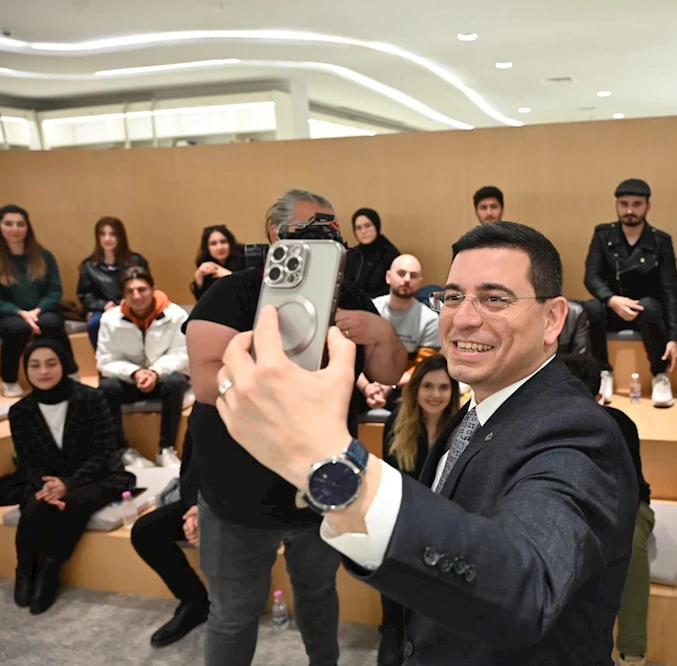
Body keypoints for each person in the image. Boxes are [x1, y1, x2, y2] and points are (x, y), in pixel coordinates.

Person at [213, 220, 639, 665]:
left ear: (552, 319)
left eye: (494, 299)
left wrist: (332, 463)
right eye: (453, 297)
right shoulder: (476, 410)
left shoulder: (579, 431)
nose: (463, 319)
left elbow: (528, 587)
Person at [183, 188, 406, 666]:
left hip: (319, 489)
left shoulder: (349, 296)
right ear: (276, 233)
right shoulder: (231, 293)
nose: (327, 237)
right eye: (313, 227)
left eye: (333, 229)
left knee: (319, 596)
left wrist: (382, 333)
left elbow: (388, 372)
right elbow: (204, 383)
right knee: (233, 614)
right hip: (235, 494)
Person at [10, 339, 134, 614]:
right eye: (35, 365)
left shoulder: (92, 399)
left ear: (63, 365)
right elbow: (27, 461)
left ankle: (49, 569)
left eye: (51, 363)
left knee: (71, 504)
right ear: (26, 370)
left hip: (98, 476)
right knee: (34, 506)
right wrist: (48, 486)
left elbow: (104, 453)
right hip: (47, 480)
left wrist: (68, 484)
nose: (43, 371)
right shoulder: (20, 411)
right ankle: (25, 570)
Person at [561, 352, 653, 666]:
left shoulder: (620, 425)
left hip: (625, 507)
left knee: (631, 545)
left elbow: (628, 491)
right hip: (567, 506)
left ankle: (633, 650)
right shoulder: (542, 421)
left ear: (598, 398)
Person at [377, 355, 460, 665]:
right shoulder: (396, 422)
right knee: (394, 619)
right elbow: (389, 482)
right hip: (402, 528)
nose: (435, 394)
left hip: (446, 530)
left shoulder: (463, 426)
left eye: (443, 387)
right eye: (428, 386)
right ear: (416, 388)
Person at [583, 178, 677, 408]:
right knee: (591, 307)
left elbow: (670, 289)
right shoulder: (603, 235)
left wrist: (674, 337)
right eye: (624, 204)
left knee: (649, 306)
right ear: (616, 205)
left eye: (637, 204)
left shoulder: (661, 241)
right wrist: (612, 299)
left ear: (648, 206)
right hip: (612, 308)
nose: (630, 210)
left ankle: (660, 375)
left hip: (647, 315)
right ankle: (603, 373)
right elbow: (591, 276)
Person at [97, 266, 189, 469]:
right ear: (123, 295)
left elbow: (182, 354)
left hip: (162, 379)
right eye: (130, 291)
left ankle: (166, 449)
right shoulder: (109, 319)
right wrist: (135, 372)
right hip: (130, 381)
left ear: (153, 289)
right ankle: (123, 451)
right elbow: (105, 360)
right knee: (105, 388)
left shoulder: (176, 315)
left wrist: (155, 372)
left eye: (142, 289)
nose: (137, 296)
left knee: (176, 382)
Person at [130, 419, 209, 648]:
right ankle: (194, 601)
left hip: (247, 504)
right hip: (204, 500)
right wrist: (194, 508)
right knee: (146, 531)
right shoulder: (203, 409)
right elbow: (190, 471)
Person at [0, 204, 74, 398]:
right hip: (7, 314)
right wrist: (21, 313)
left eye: (20, 224)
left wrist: (37, 311)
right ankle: (9, 379)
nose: (15, 229)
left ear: (27, 227)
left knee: (52, 323)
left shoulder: (44, 256)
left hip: (42, 310)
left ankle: (70, 371)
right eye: (8, 224)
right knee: (17, 328)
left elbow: (55, 290)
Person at [358, 254, 441, 410]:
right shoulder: (368, 311)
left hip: (405, 388)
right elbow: (352, 357)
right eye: (401, 273)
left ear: (420, 283)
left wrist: (391, 385)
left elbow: (423, 366)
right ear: (388, 277)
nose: (407, 279)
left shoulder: (430, 320)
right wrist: (366, 387)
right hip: (365, 383)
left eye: (413, 275)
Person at [77, 216, 150, 348]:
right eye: (103, 234)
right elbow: (84, 295)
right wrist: (104, 305)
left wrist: (127, 302)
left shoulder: (136, 261)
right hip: (103, 308)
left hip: (133, 304)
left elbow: (147, 287)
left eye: (112, 234)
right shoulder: (89, 266)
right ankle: (103, 358)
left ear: (120, 237)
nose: (107, 239)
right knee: (95, 323)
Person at [350, 207, 401, 298]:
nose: (363, 231)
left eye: (367, 226)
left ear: (376, 226)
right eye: (358, 228)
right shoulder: (353, 254)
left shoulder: (389, 253)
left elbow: (395, 286)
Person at [192, 225, 245, 302]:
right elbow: (203, 302)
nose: (219, 247)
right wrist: (199, 279)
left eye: (223, 242)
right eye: (213, 244)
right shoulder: (206, 263)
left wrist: (230, 276)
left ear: (230, 243)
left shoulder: (244, 258)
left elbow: (250, 292)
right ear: (207, 247)